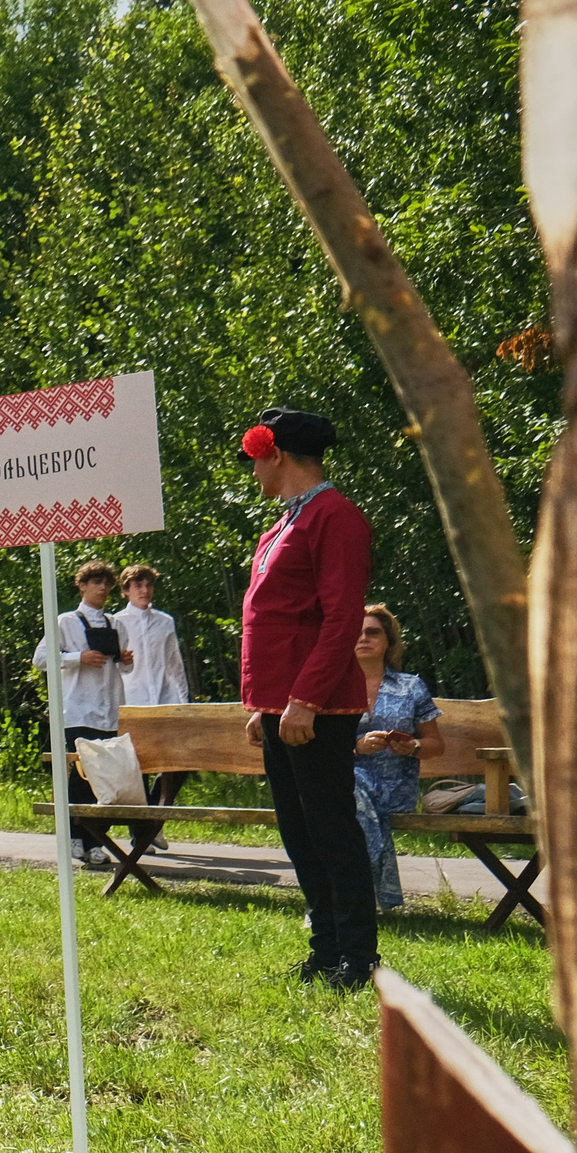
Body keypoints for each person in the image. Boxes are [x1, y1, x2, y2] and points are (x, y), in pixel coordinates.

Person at [238, 407, 378, 987]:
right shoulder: (283, 523)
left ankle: (357, 955)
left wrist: (305, 700)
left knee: (330, 828)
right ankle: (324, 948)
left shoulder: (335, 516)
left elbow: (342, 617)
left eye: (254, 461)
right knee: (298, 831)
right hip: (279, 704)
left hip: (314, 706)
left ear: (277, 454)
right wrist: (262, 706)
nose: (252, 473)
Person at [31, 559, 135, 870]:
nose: (102, 588)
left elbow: (125, 668)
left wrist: (126, 659)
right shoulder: (65, 622)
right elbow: (40, 658)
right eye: (96, 582)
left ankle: (96, 840)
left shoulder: (116, 624)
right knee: (78, 777)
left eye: (107, 583)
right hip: (77, 710)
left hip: (109, 710)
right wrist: (79, 657)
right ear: (82, 585)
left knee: (104, 779)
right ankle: (75, 836)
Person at [353, 603, 442, 916]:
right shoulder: (333, 687)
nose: (363, 638)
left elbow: (435, 745)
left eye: (373, 632)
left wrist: (414, 746)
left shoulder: (410, 686)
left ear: (387, 641)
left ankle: (349, 902)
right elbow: (320, 743)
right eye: (357, 632)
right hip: (349, 780)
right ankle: (365, 900)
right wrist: (357, 747)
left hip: (395, 785)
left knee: (343, 799)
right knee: (346, 792)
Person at [113, 562, 191, 850]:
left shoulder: (165, 621)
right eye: (138, 586)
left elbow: (175, 664)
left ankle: (154, 822)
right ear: (125, 591)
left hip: (165, 702)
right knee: (138, 770)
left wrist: (184, 703)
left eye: (148, 585)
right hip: (132, 704)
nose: (145, 591)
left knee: (178, 766)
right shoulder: (116, 622)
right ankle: (143, 831)